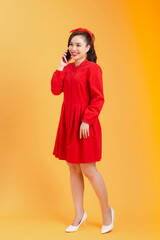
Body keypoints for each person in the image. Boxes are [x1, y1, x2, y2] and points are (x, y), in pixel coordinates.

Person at [50, 28, 115, 234]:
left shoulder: (93, 69)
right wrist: (60, 67)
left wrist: (87, 119)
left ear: (88, 47)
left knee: (88, 169)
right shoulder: (67, 69)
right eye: (71, 44)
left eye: (79, 45)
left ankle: (107, 212)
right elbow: (55, 90)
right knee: (73, 168)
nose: (74, 48)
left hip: (85, 124)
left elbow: (98, 98)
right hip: (69, 122)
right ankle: (79, 214)